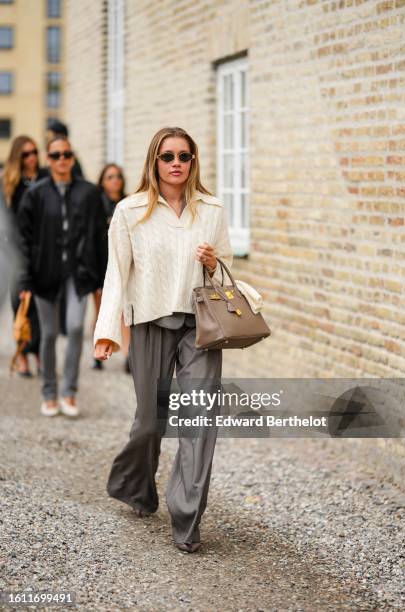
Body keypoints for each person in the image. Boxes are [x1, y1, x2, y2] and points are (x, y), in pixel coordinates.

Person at [94, 126, 233, 553]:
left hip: (201, 325)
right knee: (150, 421)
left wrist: (212, 262)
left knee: (198, 422)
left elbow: (227, 272)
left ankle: (187, 519)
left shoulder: (211, 209)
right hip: (150, 322)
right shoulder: (129, 211)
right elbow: (117, 273)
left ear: (194, 162)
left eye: (184, 156)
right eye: (168, 156)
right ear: (154, 161)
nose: (176, 163)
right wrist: (107, 332)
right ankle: (135, 486)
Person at [17, 135, 108, 418]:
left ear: (72, 157)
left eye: (66, 154)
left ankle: (69, 391)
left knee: (76, 328)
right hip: (45, 274)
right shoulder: (36, 194)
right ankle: (49, 393)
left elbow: (98, 237)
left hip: (78, 275)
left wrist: (101, 276)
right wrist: (25, 280)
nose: (62, 160)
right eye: (55, 155)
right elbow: (24, 240)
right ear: (48, 159)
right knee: (50, 333)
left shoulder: (89, 193)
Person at [0, 136, 48, 376]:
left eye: (34, 152)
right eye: (26, 154)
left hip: (43, 249)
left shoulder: (45, 178)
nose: (32, 158)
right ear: (17, 157)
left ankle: (38, 354)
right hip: (16, 250)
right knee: (20, 304)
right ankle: (21, 355)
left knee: (41, 306)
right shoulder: (8, 183)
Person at [92, 163, 130, 372]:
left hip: (121, 265)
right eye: (110, 177)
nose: (115, 180)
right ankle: (97, 350)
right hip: (101, 264)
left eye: (118, 176)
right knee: (101, 311)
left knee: (124, 311)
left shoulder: (127, 203)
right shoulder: (96, 205)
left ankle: (127, 355)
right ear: (102, 181)